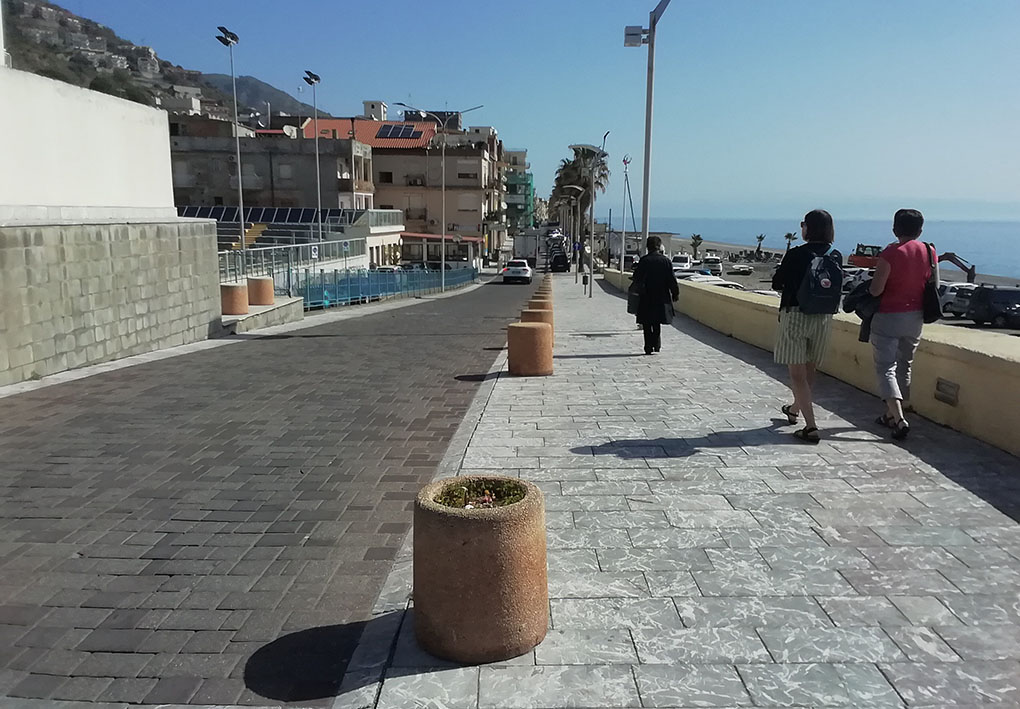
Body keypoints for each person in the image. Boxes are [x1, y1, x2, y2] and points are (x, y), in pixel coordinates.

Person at [868, 209, 937, 440]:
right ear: (920, 230)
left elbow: (876, 289)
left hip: (889, 315)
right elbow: (932, 283)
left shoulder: (890, 253)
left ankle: (898, 419)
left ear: (895, 228)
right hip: (916, 316)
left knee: (886, 367)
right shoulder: (930, 251)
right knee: (905, 364)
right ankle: (891, 414)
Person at [771, 209, 840, 443]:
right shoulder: (835, 254)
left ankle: (811, 427)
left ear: (808, 228)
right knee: (810, 371)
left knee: (797, 375)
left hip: (796, 315)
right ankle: (794, 409)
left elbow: (777, 282)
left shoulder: (797, 254)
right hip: (822, 318)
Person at [631, 235, 679, 355]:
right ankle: (656, 344)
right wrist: (675, 293)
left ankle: (648, 346)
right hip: (661, 296)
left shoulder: (644, 261)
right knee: (656, 322)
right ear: (659, 246)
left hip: (646, 296)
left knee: (647, 322)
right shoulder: (666, 261)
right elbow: (671, 279)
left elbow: (637, 278)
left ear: (648, 247)